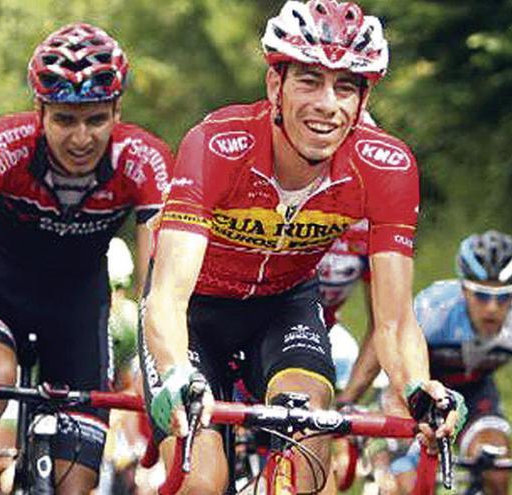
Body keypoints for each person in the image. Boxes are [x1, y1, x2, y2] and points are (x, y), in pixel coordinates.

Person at [140, 1, 465, 493]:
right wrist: (175, 370)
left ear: (362, 100)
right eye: (309, 81)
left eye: (346, 87)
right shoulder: (217, 144)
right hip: (194, 315)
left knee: (310, 436)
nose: (327, 104)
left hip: (283, 307)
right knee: (203, 481)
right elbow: (167, 295)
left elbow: (395, 322)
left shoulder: (387, 167)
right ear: (276, 85)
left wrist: (418, 387)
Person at [0, 23, 173, 495]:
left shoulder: (145, 159)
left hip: (78, 307)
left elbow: (156, 287)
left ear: (117, 110)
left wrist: (156, 368)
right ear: (39, 111)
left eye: (96, 119)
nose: (81, 138)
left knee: (76, 486)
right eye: (64, 119)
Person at [393, 230, 512, 494]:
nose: (492, 307)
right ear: (463, 289)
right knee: (408, 485)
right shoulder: (432, 309)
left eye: (504, 297)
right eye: (482, 295)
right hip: (418, 392)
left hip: (475, 391)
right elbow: (396, 368)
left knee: (496, 470)